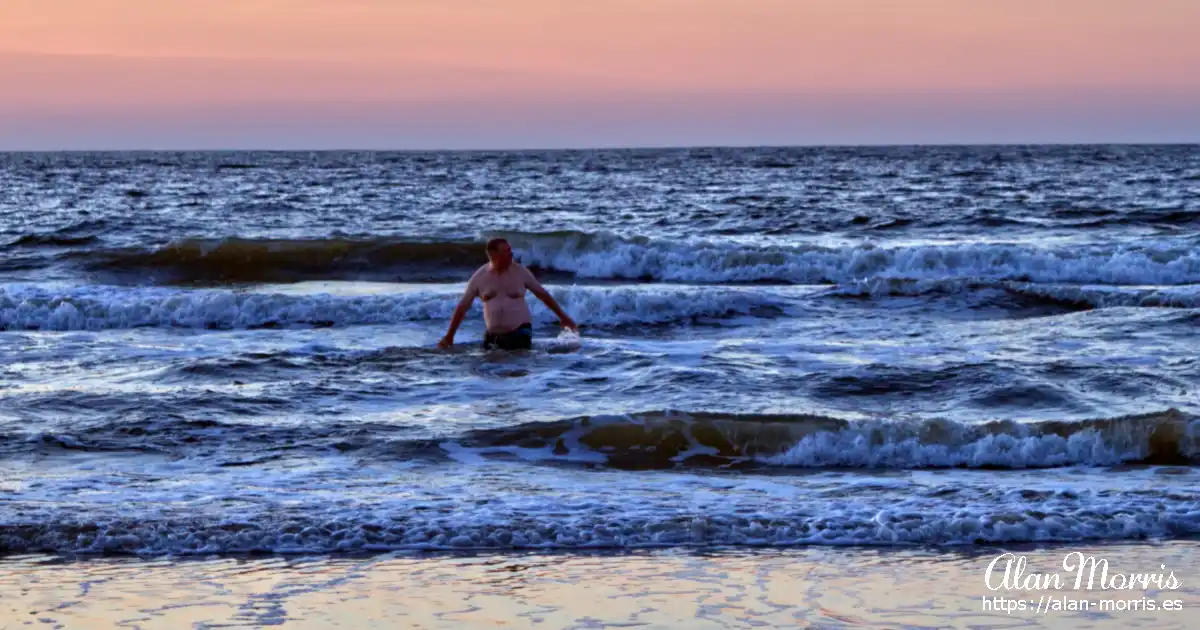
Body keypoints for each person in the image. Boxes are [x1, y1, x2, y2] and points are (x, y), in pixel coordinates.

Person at [438, 237, 577, 350]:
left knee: (515, 369)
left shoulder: (521, 272)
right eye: (506, 251)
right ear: (493, 255)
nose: (511, 254)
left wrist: (563, 318)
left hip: (520, 331)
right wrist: (449, 336)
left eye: (510, 250)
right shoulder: (479, 277)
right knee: (490, 371)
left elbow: (543, 295)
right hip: (493, 335)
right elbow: (462, 307)